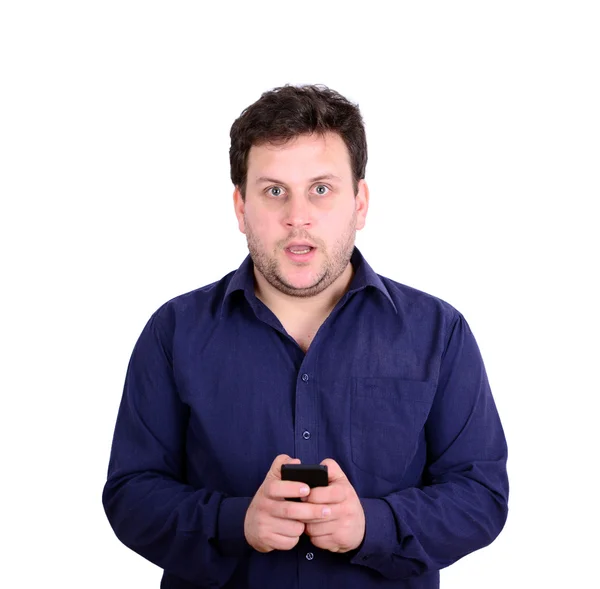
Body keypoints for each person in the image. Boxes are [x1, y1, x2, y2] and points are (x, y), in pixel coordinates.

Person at [102, 84, 509, 589]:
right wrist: (236, 522)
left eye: (321, 188)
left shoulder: (439, 333)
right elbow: (130, 495)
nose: (298, 216)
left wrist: (372, 525)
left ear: (359, 203)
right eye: (274, 191)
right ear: (240, 206)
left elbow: (481, 495)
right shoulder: (174, 332)